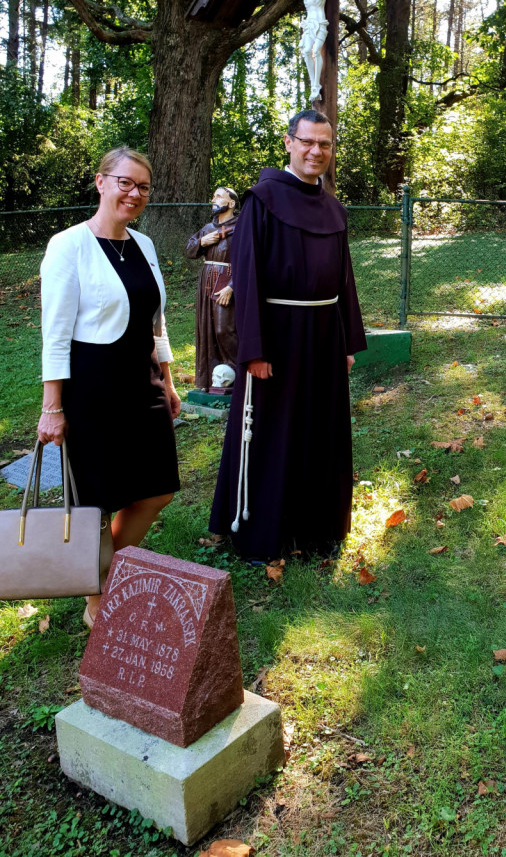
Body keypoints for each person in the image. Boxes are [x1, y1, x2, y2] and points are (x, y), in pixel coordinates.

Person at [209, 110, 367, 560]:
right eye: (308, 142)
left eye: (325, 144)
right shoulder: (262, 201)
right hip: (275, 338)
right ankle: (263, 532)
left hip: (323, 337)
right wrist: (253, 350)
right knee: (272, 434)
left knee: (321, 431)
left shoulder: (335, 209)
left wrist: (347, 342)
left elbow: (344, 280)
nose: (317, 151)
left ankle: (318, 529)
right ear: (289, 143)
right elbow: (248, 276)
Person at [37, 147, 181, 628]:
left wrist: (168, 379)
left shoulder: (144, 245)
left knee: (158, 488)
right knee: (97, 500)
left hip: (143, 382)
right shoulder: (68, 245)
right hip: (93, 387)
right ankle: (97, 599)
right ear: (101, 182)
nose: (134, 193)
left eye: (143, 186)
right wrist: (52, 407)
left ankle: (104, 572)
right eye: (125, 182)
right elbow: (55, 334)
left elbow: (156, 323)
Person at [261, 0, 369, 100]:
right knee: (305, 51)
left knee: (316, 50)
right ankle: (315, 86)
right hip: (309, 24)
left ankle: (316, 86)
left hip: (320, 22)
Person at [185, 187, 239, 392]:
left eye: (219, 196)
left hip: (226, 280)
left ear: (231, 203)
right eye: (214, 196)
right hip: (207, 280)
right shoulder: (208, 228)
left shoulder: (241, 227)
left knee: (224, 328)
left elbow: (249, 259)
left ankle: (237, 374)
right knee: (206, 327)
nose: (213, 200)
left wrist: (232, 286)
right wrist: (201, 242)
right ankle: (210, 379)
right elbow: (189, 251)